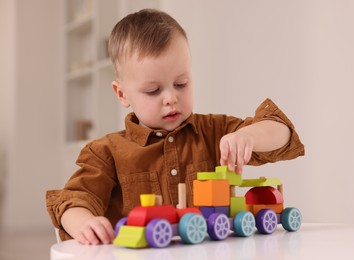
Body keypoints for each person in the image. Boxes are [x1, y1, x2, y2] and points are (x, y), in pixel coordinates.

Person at [46, 9, 305, 245]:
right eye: (153, 90)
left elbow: (281, 132)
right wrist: (85, 223)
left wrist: (249, 136)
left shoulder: (216, 131)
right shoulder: (106, 153)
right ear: (122, 94)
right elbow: (73, 200)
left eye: (181, 84)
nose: (170, 97)